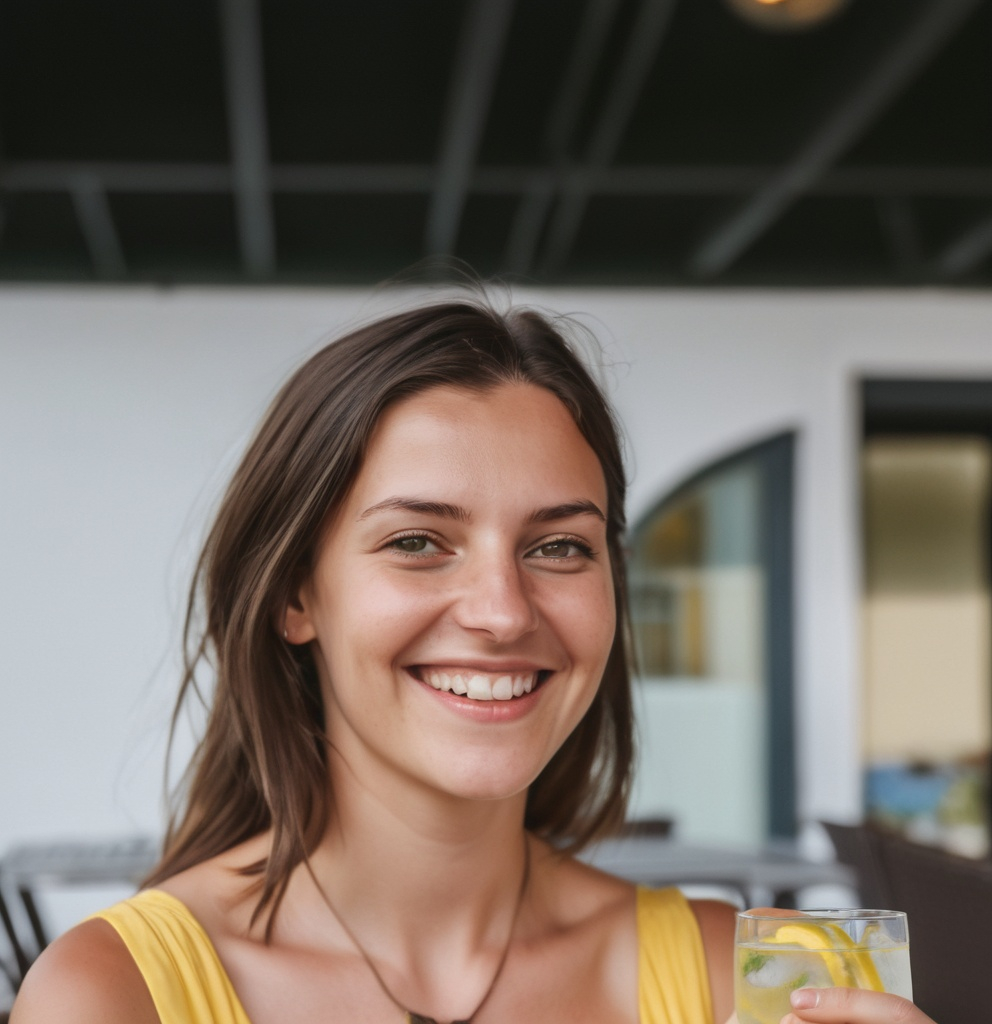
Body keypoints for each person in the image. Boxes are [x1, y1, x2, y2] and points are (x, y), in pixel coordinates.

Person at [13, 298, 935, 1024]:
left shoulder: (738, 979)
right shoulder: (110, 997)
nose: (501, 611)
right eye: (417, 541)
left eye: (560, 547)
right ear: (297, 595)